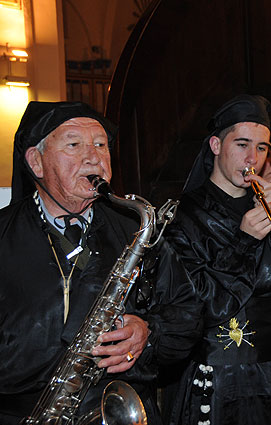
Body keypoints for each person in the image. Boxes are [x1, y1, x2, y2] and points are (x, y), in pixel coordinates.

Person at [0, 101, 202, 425]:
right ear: (36, 162)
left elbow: (188, 315)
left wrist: (148, 334)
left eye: (100, 144)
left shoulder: (136, 229)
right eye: (74, 144)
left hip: (120, 409)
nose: (94, 157)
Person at [165, 95, 271, 425]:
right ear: (215, 144)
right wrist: (244, 242)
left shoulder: (267, 206)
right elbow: (199, 307)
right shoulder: (183, 217)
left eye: (262, 147)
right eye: (242, 144)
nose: (252, 157)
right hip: (217, 380)